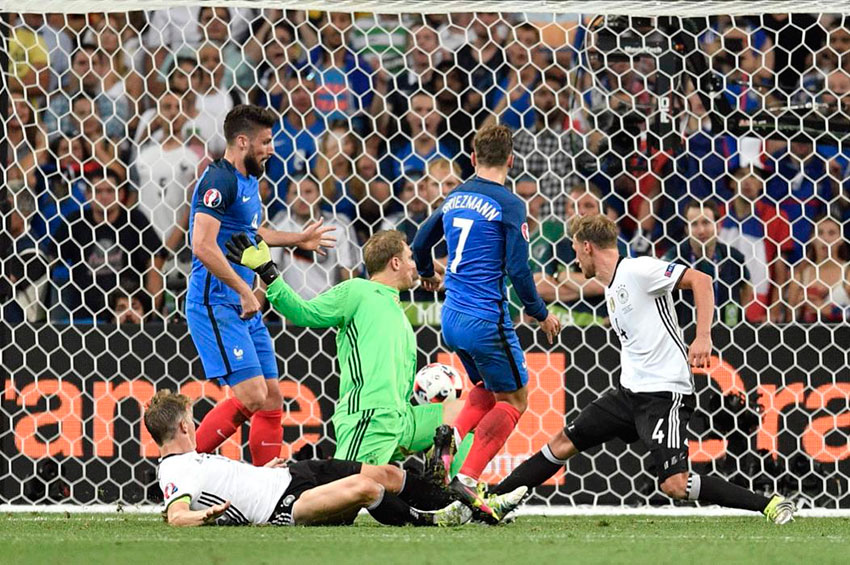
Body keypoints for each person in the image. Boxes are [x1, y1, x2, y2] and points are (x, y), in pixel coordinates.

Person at [490, 214, 797, 525]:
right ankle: (492, 502)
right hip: (629, 393)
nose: (574, 258)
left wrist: (703, 336)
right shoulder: (612, 285)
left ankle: (770, 504)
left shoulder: (639, 270)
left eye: (574, 249)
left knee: (674, 484)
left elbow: (701, 280)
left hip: (664, 393)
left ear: (587, 247)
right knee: (562, 443)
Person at [223, 229, 528, 519]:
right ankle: (270, 495)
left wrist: (428, 273)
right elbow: (305, 312)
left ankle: (462, 492)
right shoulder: (358, 290)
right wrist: (268, 271)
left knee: (464, 415)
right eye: (410, 258)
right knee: (337, 510)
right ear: (395, 262)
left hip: (402, 418)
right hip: (368, 418)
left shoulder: (394, 303)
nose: (414, 264)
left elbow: (431, 275)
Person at [412, 124, 561, 522]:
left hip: (452, 319)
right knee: (515, 400)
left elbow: (419, 243)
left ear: (474, 158)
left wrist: (427, 272)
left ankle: (452, 437)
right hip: (486, 320)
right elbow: (517, 268)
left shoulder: (456, 195)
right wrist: (541, 313)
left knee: (484, 387)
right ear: (511, 160)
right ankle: (468, 476)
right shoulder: (509, 204)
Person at [185, 104, 336, 467]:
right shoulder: (218, 181)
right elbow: (202, 245)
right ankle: (178, 470)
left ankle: (264, 484)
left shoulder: (250, 180)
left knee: (271, 399)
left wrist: (297, 238)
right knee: (251, 395)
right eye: (265, 142)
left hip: (243, 303)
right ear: (241, 141)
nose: (271, 149)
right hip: (216, 303)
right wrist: (241, 288)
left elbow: (251, 233)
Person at [144, 389, 473, 528]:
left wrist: (259, 471)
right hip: (284, 505)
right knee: (367, 487)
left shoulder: (192, 459)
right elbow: (176, 515)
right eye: (193, 419)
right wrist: (205, 517)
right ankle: (429, 520)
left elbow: (229, 483)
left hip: (289, 474)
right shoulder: (176, 470)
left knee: (385, 473)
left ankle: (457, 503)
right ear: (185, 426)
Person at [663, 200, 752, 327]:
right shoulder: (673, 259)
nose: (701, 231)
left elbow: (747, 285)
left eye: (706, 222)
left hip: (727, 333)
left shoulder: (733, 257)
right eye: (694, 224)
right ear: (686, 229)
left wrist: (740, 314)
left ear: (718, 226)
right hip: (686, 334)